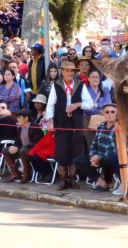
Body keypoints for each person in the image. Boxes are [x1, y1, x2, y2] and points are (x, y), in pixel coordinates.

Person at [45, 60, 86, 190]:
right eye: (67, 70)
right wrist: (50, 120)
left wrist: (77, 105)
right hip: (61, 121)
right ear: (62, 72)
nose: (70, 73)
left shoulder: (80, 84)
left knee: (76, 150)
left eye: (72, 71)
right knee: (62, 151)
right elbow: (51, 104)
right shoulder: (56, 85)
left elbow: (90, 103)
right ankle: (63, 180)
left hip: (76, 122)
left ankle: (73, 180)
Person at [72, 102, 119, 191]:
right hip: (99, 157)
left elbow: (116, 149)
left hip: (112, 159)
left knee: (107, 160)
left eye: (113, 112)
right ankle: (100, 180)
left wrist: (99, 157)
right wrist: (94, 156)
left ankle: (108, 181)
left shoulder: (119, 126)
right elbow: (94, 144)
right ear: (103, 114)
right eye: (107, 112)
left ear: (117, 113)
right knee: (78, 160)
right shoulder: (101, 125)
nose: (110, 114)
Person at [1, 108, 43, 183]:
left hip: (34, 150)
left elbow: (36, 142)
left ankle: (27, 174)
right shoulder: (20, 128)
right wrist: (14, 146)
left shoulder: (35, 127)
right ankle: (15, 174)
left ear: (26, 118)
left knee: (22, 150)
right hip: (22, 150)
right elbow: (17, 141)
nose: (17, 119)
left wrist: (19, 148)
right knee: (5, 150)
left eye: (19, 117)